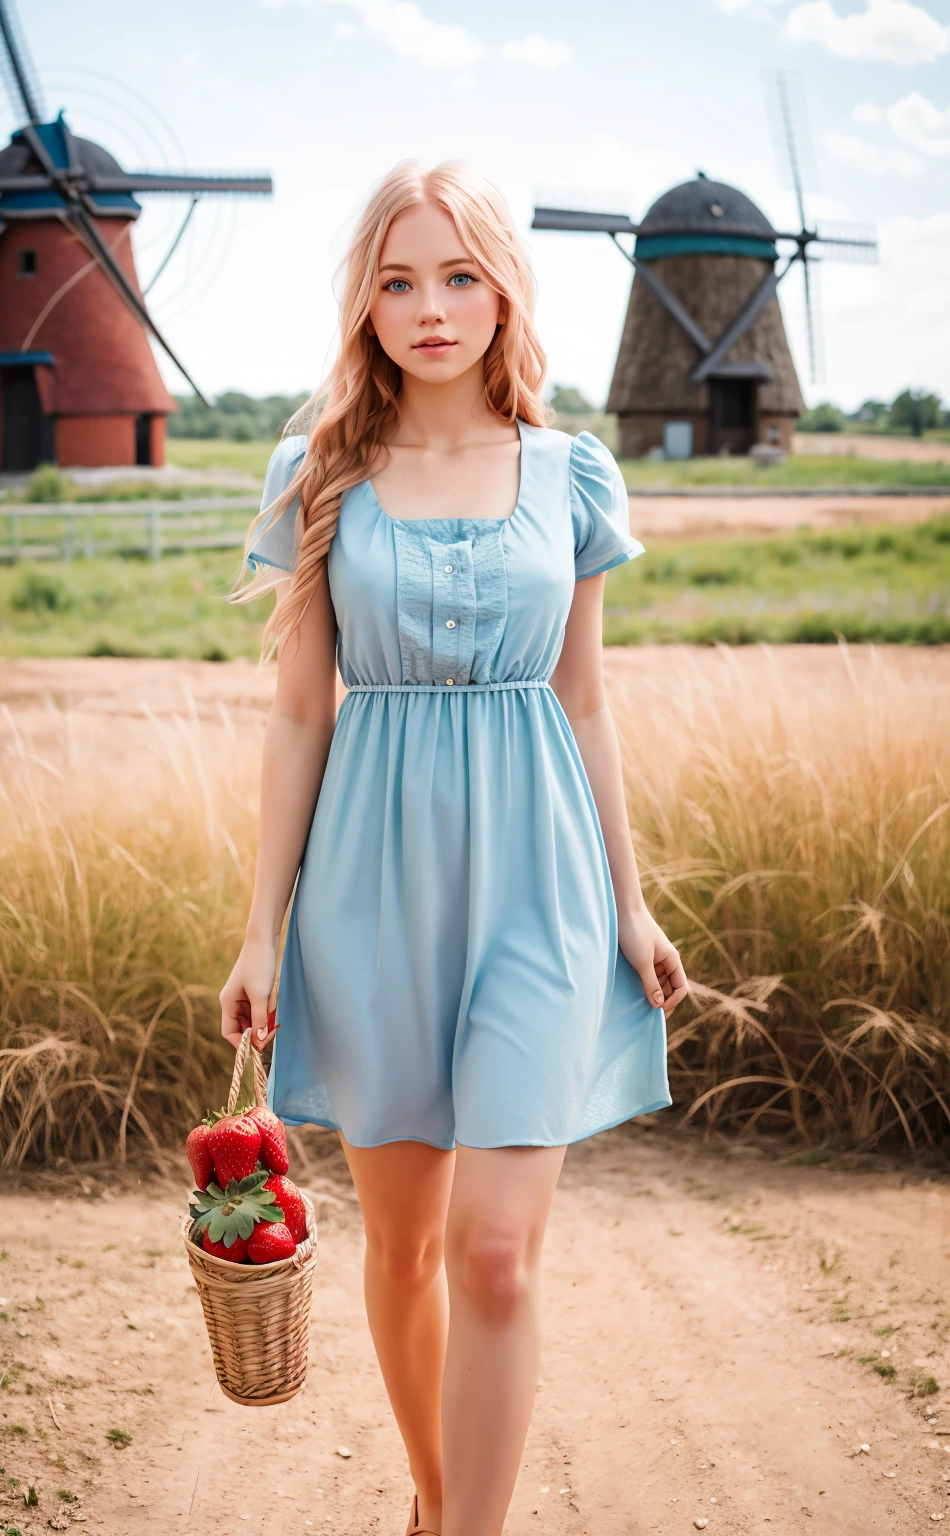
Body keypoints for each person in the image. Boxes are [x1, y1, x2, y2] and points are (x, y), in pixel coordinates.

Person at [220, 160, 688, 1536]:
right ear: (365, 302)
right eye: (399, 279)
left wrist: (634, 903)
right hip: (367, 887)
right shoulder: (318, 471)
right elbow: (302, 709)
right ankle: (435, 1505)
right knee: (409, 1243)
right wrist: (261, 928)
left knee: (494, 1251)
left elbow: (585, 696)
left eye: (459, 275)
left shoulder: (569, 470)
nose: (430, 307)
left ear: (504, 291)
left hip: (542, 884)